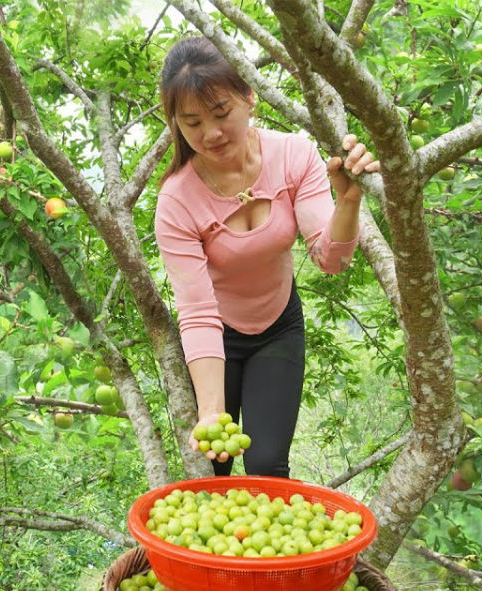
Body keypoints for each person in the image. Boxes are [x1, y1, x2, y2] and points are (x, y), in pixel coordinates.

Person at [154, 36, 380, 478]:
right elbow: (198, 313)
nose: (211, 134)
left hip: (278, 326)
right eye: (193, 122)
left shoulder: (293, 155)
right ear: (176, 124)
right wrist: (212, 412)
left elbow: (330, 260)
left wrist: (348, 203)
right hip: (215, 334)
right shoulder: (177, 200)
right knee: (214, 463)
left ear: (249, 98)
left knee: (266, 467)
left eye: (221, 113)